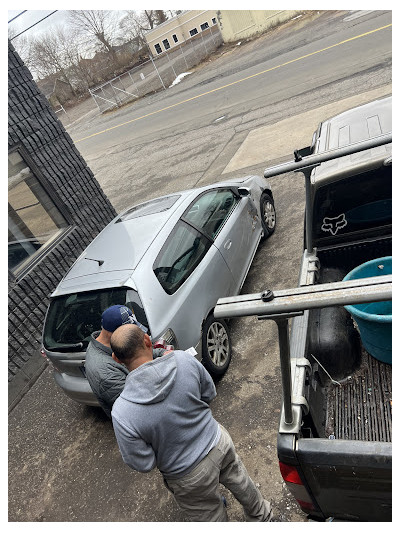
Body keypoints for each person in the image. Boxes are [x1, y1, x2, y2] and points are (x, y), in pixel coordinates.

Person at [110, 324, 273, 522]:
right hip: (218, 441)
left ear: (116, 359)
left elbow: (143, 463)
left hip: (188, 475)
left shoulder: (122, 412)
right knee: (241, 481)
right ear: (146, 341)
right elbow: (209, 393)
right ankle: (263, 516)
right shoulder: (183, 359)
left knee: (211, 517)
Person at [84, 304, 165, 418]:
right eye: (132, 331)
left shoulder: (113, 340)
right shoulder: (104, 374)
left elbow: (139, 350)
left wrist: (162, 353)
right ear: (116, 333)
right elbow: (138, 406)